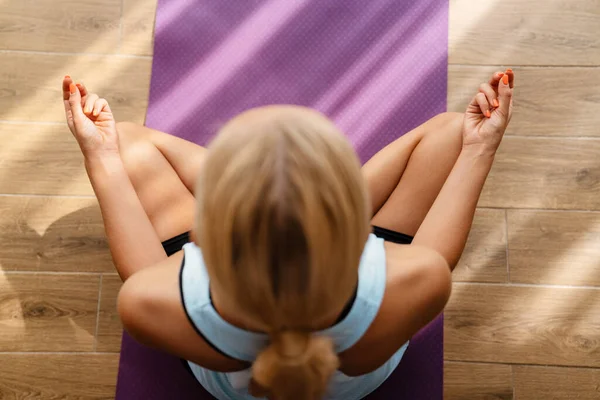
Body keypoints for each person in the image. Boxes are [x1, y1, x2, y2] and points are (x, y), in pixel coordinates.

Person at [61, 69, 514, 400]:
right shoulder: (416, 278)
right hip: (357, 347)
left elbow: (144, 274)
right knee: (454, 132)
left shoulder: (151, 301)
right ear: (354, 219)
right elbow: (435, 254)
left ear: (202, 232)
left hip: (231, 362)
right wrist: (481, 146)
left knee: (127, 143)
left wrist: (101, 156)